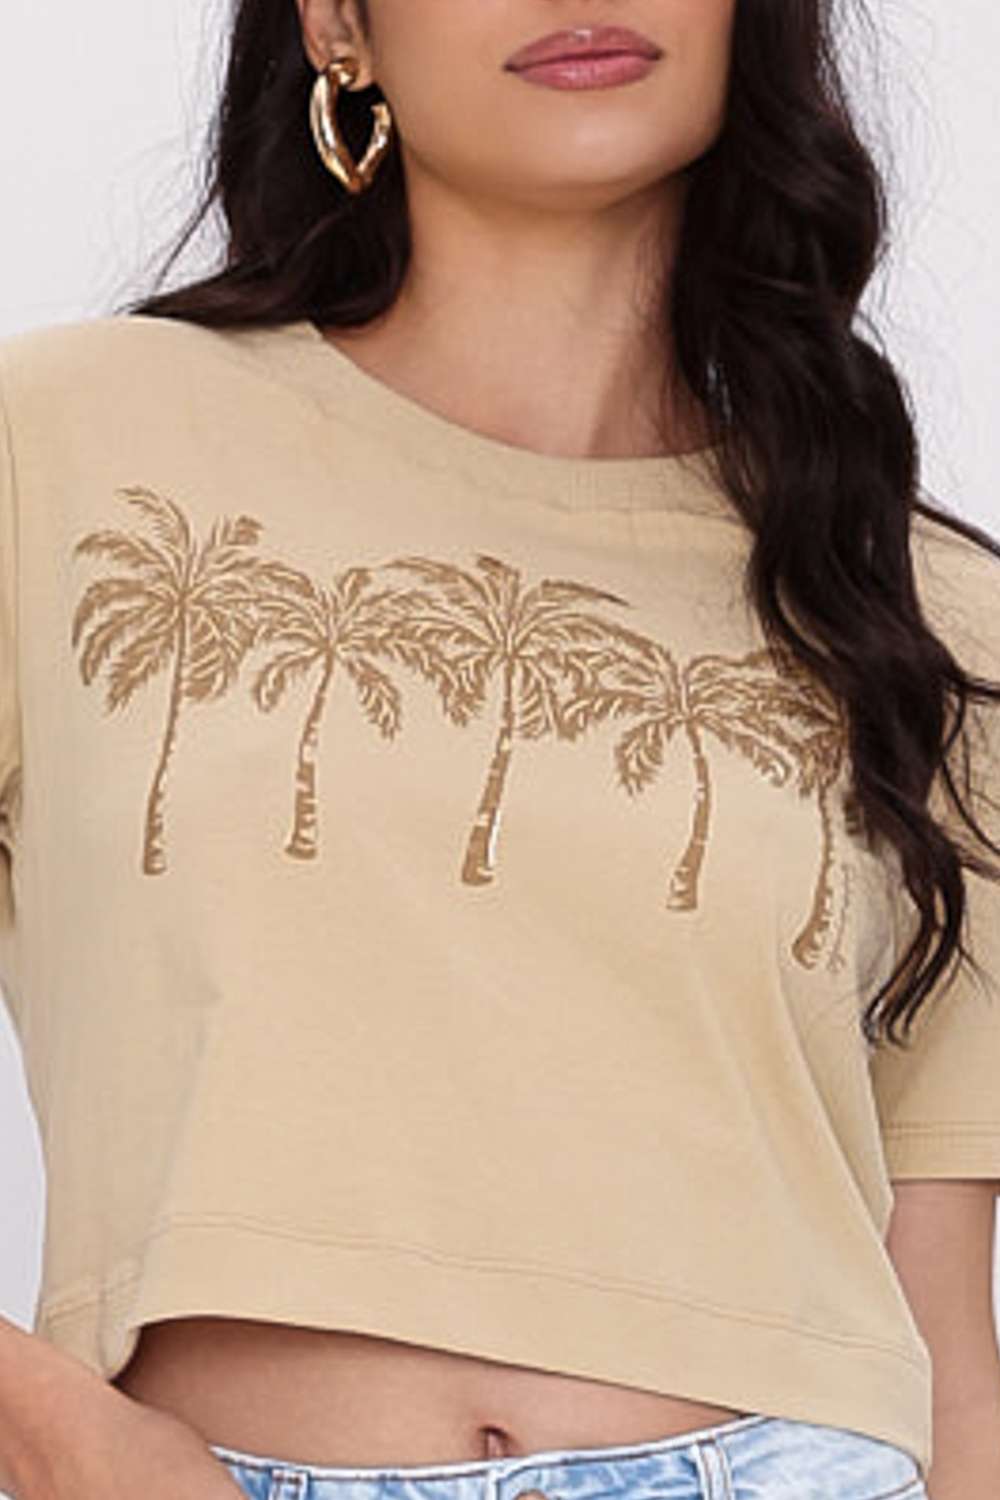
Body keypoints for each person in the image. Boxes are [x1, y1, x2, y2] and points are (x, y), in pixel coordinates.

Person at [0, 0, 998, 1496]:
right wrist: (61, 1437)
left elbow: (946, 1345)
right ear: (339, 23)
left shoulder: (919, 614)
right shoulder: (68, 441)